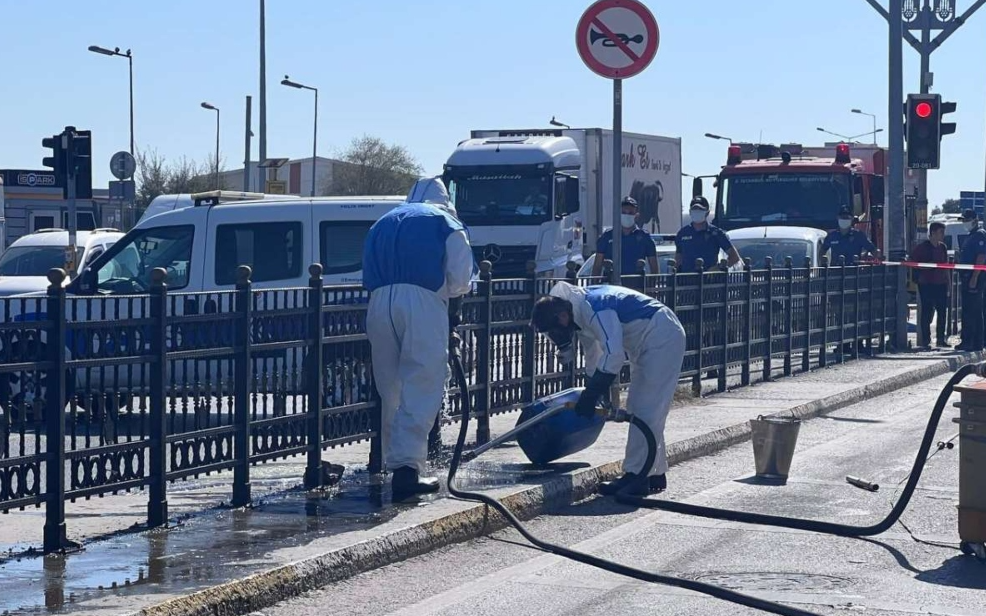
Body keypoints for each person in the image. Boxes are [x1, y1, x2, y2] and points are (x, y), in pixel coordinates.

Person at [362, 177, 474, 500]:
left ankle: (391, 463)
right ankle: (407, 472)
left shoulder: (383, 222)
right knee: (422, 382)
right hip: (423, 302)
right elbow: (461, 279)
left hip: (379, 302)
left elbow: (366, 271)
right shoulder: (446, 221)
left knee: (390, 387)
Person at [530, 282, 686, 496]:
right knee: (644, 408)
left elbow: (613, 355)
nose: (556, 336)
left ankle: (637, 476)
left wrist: (592, 393)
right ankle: (653, 472)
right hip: (651, 339)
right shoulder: (578, 314)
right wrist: (591, 391)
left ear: (562, 317)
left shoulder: (595, 309)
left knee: (645, 408)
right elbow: (593, 356)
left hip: (662, 336)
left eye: (554, 331)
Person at [591, 197, 659, 277]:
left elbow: (654, 268)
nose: (627, 215)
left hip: (637, 286)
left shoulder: (644, 237)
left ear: (636, 215)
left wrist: (653, 288)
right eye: (624, 212)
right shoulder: (607, 236)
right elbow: (597, 267)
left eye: (630, 213)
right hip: (611, 286)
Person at [910, 222, 951, 349]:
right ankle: (926, 340)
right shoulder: (922, 248)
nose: (943, 235)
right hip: (926, 284)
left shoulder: (943, 247)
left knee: (942, 312)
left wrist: (948, 284)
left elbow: (946, 266)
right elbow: (913, 263)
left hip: (941, 284)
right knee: (927, 312)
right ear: (932, 233)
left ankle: (940, 339)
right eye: (941, 232)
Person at [674, 196, 740, 273]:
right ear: (690, 212)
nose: (697, 212)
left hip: (708, 282)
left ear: (707, 213)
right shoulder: (682, 233)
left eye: (700, 210)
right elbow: (678, 259)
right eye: (694, 209)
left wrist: (718, 268)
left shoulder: (716, 233)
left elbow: (734, 257)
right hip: (686, 281)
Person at [957, 209, 986, 352]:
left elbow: (981, 257)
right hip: (968, 276)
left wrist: (974, 277)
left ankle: (973, 342)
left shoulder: (980, 235)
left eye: (966, 220)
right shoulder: (971, 235)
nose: (964, 223)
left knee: (973, 310)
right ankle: (970, 341)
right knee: (969, 309)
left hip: (974, 277)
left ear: (974, 220)